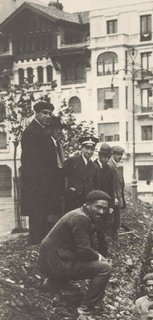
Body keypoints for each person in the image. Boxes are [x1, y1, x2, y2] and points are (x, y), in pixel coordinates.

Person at [38, 190, 112, 315]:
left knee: (98, 263)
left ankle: (53, 283)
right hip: (58, 262)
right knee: (105, 269)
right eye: (98, 207)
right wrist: (100, 258)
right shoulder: (81, 218)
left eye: (104, 209)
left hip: (54, 259)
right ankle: (87, 307)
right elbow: (83, 250)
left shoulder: (79, 214)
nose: (101, 212)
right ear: (88, 204)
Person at [20, 99, 61, 244]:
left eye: (50, 114)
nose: (48, 116)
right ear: (36, 113)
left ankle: (41, 244)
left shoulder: (43, 131)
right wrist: (39, 183)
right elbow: (31, 162)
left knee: (44, 214)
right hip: (37, 183)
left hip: (45, 182)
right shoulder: (31, 132)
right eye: (44, 113)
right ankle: (36, 244)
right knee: (37, 214)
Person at [63, 136, 98, 212]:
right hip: (72, 202)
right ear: (81, 148)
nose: (89, 151)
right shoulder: (71, 162)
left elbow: (95, 184)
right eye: (87, 148)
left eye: (92, 149)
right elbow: (61, 178)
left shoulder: (94, 167)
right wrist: (68, 191)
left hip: (87, 203)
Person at [93, 143, 115, 253]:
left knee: (103, 229)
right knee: (93, 228)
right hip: (95, 203)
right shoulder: (93, 167)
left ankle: (103, 252)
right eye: (104, 157)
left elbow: (111, 189)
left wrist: (111, 205)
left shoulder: (109, 169)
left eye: (108, 157)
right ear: (100, 156)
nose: (106, 159)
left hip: (105, 204)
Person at [45, 115, 66, 230]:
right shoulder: (47, 144)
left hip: (60, 181)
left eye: (60, 129)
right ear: (50, 130)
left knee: (59, 208)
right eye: (56, 128)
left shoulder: (58, 144)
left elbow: (62, 162)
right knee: (52, 210)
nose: (59, 131)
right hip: (51, 182)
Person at [108, 144, 127, 236]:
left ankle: (114, 236)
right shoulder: (110, 165)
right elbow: (111, 184)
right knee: (113, 220)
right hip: (113, 198)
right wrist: (115, 197)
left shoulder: (115, 165)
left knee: (116, 220)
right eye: (118, 154)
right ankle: (112, 238)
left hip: (117, 197)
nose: (120, 157)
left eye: (121, 154)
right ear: (113, 154)